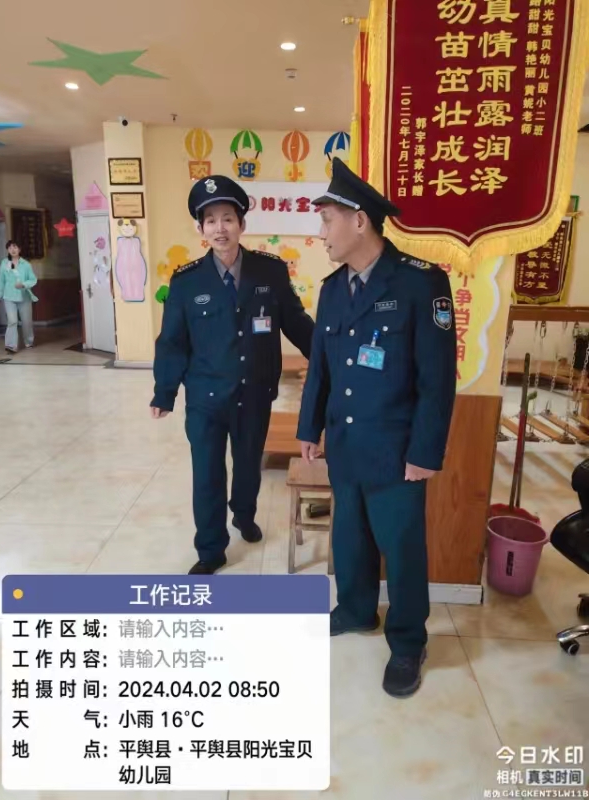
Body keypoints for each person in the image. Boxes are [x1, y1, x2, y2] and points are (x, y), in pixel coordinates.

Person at [297, 158, 457, 698]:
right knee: (350, 536)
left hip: (396, 450)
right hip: (345, 442)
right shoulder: (332, 289)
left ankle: (408, 642)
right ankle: (356, 609)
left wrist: (425, 452)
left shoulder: (419, 282)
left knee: (402, 547)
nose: (322, 233)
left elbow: (438, 379)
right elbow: (320, 367)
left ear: (359, 221)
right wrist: (309, 427)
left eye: (327, 221)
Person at [151, 175, 314, 575]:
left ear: (242, 224)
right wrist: (164, 392)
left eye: (227, 218)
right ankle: (211, 549)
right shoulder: (186, 281)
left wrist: (327, 358)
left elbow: (295, 322)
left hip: (254, 392)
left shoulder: (270, 272)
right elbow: (172, 341)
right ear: (200, 229)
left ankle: (244, 514)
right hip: (205, 398)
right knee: (207, 474)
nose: (219, 228)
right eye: (210, 220)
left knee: (247, 465)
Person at [0, 240, 38, 353]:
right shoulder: (4, 263)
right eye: (10, 248)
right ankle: (11, 345)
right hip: (9, 296)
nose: (12, 250)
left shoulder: (26, 265)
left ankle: (29, 341)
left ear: (19, 249)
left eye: (15, 247)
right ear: (7, 250)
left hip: (24, 297)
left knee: (26, 321)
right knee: (12, 321)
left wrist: (23, 284)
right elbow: (1, 279)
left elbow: (33, 280)